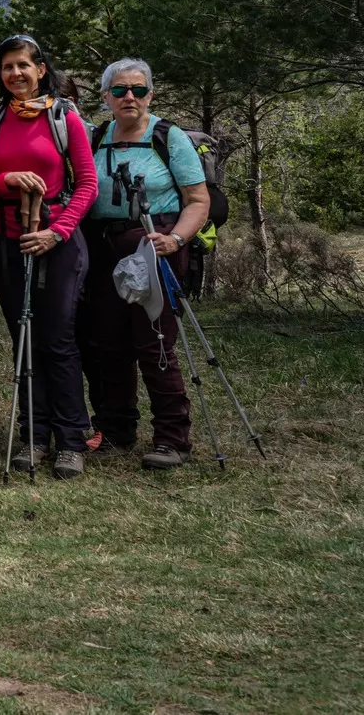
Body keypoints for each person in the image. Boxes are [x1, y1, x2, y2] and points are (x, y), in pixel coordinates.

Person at [80, 57, 211, 471]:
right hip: (103, 246)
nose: (129, 97)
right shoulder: (97, 137)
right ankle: (117, 430)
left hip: (156, 245)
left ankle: (173, 438)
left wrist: (175, 239)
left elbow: (198, 201)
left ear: (151, 94)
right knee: (107, 343)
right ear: (105, 97)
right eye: (119, 91)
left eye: (138, 90)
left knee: (154, 340)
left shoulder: (168, 138)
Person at [0, 35, 97, 480]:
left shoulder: (64, 118)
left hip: (57, 238)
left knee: (57, 338)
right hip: (6, 238)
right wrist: (7, 179)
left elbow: (87, 184)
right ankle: (33, 434)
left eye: (23, 65)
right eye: (7, 67)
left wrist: (58, 232)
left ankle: (70, 439)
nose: (16, 74)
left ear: (41, 69)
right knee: (22, 337)